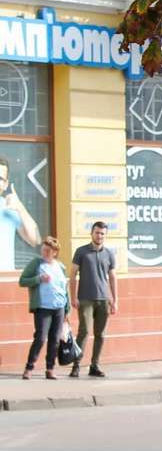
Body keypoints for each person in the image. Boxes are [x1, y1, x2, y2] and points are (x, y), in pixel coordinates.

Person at [69, 221, 118, 378]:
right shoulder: (81, 252)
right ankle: (76, 365)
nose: (99, 236)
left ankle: (94, 365)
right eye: (97, 232)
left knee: (100, 334)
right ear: (91, 233)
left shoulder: (109, 253)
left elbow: (112, 277)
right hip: (85, 299)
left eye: (102, 233)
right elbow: (72, 275)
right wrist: (73, 296)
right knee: (83, 332)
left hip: (103, 299)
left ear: (105, 235)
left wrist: (115, 300)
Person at [18, 236, 69, 380]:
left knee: (55, 339)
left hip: (59, 307)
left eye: (48, 250)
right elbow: (22, 281)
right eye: (44, 249)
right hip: (42, 307)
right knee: (40, 338)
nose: (45, 252)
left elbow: (64, 288)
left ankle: (50, 369)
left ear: (55, 252)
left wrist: (67, 308)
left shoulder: (60, 266)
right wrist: (38, 279)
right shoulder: (36, 264)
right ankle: (29, 367)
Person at [0, 156, 40, 273]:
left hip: (4, 281)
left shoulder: (9, 208)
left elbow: (35, 239)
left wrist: (20, 208)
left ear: (6, 184)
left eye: (0, 178)